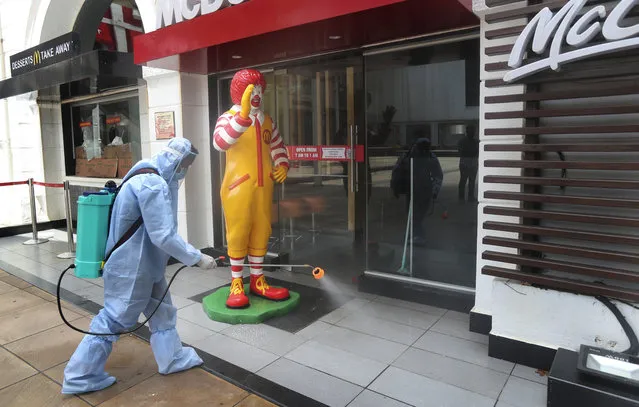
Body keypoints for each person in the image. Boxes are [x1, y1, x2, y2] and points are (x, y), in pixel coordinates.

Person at [62, 138, 217, 395]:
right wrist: (197, 257)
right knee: (114, 318)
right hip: (132, 268)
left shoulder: (144, 171)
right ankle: (80, 375)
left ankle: (172, 358)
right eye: (185, 163)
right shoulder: (152, 184)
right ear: (174, 159)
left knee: (162, 311)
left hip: (146, 264)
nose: (186, 169)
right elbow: (163, 235)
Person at [213, 69, 290, 309]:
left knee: (261, 230)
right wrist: (242, 116)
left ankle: (257, 279)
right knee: (238, 231)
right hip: (238, 187)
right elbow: (220, 142)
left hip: (263, 187)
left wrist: (283, 163)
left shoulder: (267, 120)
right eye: (251, 90)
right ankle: (237, 282)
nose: (256, 95)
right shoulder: (228, 117)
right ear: (239, 92)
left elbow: (277, 145)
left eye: (259, 90)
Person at [391, 137, 443, 245]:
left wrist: (434, 191)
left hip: (424, 189)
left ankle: (413, 235)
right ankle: (416, 236)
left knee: (417, 215)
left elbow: (437, 175)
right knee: (414, 215)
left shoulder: (428, 156)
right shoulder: (408, 156)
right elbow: (397, 172)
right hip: (413, 189)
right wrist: (395, 187)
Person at [457, 126, 479, 202]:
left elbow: (460, 152)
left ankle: (467, 197)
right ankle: (464, 197)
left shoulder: (463, 141)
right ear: (467, 132)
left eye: (473, 131)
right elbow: (460, 152)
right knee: (465, 181)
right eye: (471, 131)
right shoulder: (474, 142)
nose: (472, 133)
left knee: (468, 181)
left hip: (469, 163)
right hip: (467, 163)